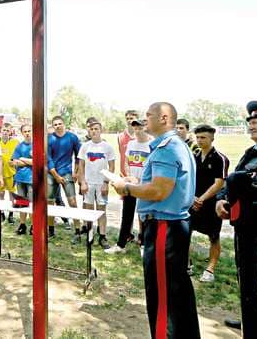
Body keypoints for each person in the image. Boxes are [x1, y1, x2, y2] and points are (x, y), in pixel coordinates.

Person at [112, 102, 200, 338]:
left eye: (148, 116)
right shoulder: (177, 145)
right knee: (177, 292)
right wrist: (137, 184)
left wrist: (127, 188)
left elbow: (159, 191)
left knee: (163, 296)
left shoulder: (167, 148)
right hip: (172, 225)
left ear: (163, 118)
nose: (144, 120)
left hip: (164, 228)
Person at [215, 100, 257, 337]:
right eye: (250, 121)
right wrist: (222, 199)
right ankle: (250, 319)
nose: (252, 124)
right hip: (246, 230)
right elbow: (233, 180)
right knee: (248, 279)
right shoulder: (251, 153)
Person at [188, 124, 229, 282]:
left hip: (211, 204)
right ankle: (187, 264)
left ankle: (210, 270)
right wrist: (192, 197)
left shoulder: (220, 158)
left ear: (212, 138)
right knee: (187, 233)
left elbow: (219, 183)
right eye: (197, 137)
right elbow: (189, 179)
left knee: (213, 237)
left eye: (203, 137)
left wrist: (202, 199)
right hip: (193, 203)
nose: (199, 140)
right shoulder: (194, 156)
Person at [106, 119, 151, 254]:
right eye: (135, 128)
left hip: (144, 186)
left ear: (146, 128)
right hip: (131, 185)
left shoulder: (152, 144)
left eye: (140, 128)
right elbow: (126, 162)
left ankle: (144, 244)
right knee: (127, 214)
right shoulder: (131, 144)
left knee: (144, 216)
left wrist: (140, 180)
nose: (137, 131)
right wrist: (129, 176)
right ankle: (121, 245)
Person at [77, 120, 116, 249]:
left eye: (96, 129)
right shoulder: (85, 146)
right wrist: (82, 182)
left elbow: (111, 167)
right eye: (91, 129)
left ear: (101, 130)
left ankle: (102, 236)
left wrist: (106, 183)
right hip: (88, 183)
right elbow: (81, 166)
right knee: (88, 210)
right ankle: (89, 234)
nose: (94, 131)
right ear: (89, 131)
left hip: (101, 183)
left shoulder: (107, 147)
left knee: (101, 210)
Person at [47, 116, 81, 241]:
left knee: (72, 201)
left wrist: (76, 172)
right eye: (55, 124)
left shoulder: (72, 137)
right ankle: (50, 230)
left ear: (64, 124)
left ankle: (77, 231)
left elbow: (79, 156)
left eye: (60, 123)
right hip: (52, 173)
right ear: (53, 126)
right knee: (50, 202)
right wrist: (55, 175)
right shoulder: (50, 139)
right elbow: (48, 159)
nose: (58, 126)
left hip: (67, 172)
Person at [10, 124, 33, 235]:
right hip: (20, 178)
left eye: (29, 131)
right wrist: (28, 161)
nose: (27, 133)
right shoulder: (19, 147)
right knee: (22, 202)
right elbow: (14, 161)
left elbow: (37, 162)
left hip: (31, 179)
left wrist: (23, 159)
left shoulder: (36, 145)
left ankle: (33, 226)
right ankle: (22, 225)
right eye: (25, 131)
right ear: (22, 133)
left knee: (32, 203)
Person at [0, 122, 19, 224]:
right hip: (0, 173)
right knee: (1, 193)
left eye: (7, 130)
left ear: (10, 131)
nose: (5, 132)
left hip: (11, 172)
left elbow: (19, 155)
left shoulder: (15, 142)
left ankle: (11, 214)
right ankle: (1, 213)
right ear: (0, 131)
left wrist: (16, 161)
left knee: (12, 194)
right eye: (4, 130)